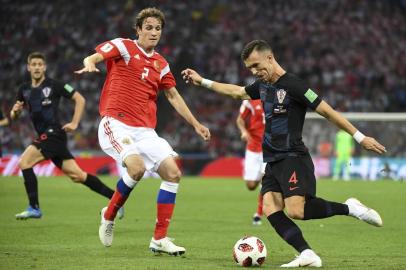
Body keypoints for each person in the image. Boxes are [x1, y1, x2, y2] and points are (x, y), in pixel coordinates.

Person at [182, 40, 386, 268]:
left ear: (270, 58)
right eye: (250, 68)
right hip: (272, 160)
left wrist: (360, 137)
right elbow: (237, 92)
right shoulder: (261, 86)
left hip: (293, 156)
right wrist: (202, 82)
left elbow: (328, 111)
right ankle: (307, 253)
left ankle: (351, 208)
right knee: (270, 208)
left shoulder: (295, 86)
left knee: (296, 211)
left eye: (257, 65)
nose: (254, 72)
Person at [75, 7, 210, 256]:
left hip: (145, 130)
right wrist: (89, 63)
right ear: (138, 29)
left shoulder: (161, 63)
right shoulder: (124, 46)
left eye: (158, 28)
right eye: (148, 27)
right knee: (135, 168)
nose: (153, 32)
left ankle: (159, 238)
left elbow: (172, 95)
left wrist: (195, 123)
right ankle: (109, 213)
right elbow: (94, 57)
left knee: (173, 173)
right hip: (115, 122)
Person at [11, 52, 122, 220]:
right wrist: (15, 112)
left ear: (44, 67)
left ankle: (34, 208)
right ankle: (116, 200)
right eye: (33, 64)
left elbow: (80, 99)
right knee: (78, 175)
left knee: (24, 162)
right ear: (28, 67)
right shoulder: (24, 90)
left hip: (54, 134)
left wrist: (75, 123)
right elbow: (14, 116)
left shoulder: (54, 85)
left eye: (40, 64)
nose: (36, 67)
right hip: (46, 137)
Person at [236, 99, 265, 225]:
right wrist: (244, 131)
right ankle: (263, 178)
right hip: (253, 145)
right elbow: (240, 120)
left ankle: (258, 214)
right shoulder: (251, 99)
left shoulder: (278, 98)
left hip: (270, 147)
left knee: (266, 179)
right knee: (251, 185)